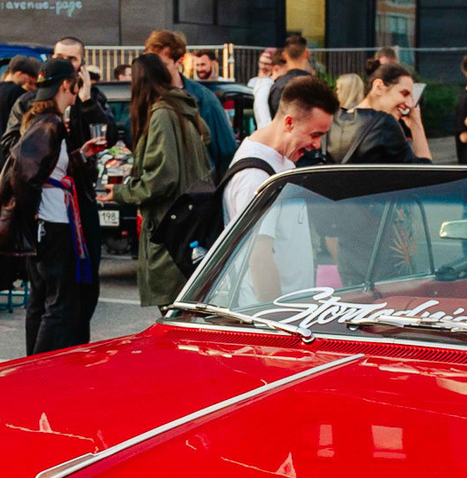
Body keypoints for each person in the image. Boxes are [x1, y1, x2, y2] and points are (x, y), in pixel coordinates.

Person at [0, 57, 99, 354]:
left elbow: (40, 169)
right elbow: (24, 170)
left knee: (46, 300)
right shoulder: (50, 122)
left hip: (49, 222)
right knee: (59, 304)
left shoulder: (43, 120)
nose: (76, 94)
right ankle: (39, 369)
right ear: (64, 86)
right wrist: (33, 212)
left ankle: (35, 366)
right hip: (52, 223)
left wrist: (80, 156)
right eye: (75, 87)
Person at [221, 74, 339, 301]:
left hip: (293, 309)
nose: (317, 145)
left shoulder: (282, 159)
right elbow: (259, 259)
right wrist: (275, 318)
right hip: (271, 317)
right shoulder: (254, 177)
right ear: (289, 122)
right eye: (315, 134)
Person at [111, 51, 210, 306]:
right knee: (187, 313)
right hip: (187, 225)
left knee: (175, 312)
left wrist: (121, 192)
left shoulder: (163, 114)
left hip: (169, 229)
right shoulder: (183, 110)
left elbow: (161, 178)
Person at [149, 30, 234, 176]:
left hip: (195, 188)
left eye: (163, 64)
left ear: (179, 61)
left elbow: (226, 150)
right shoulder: (147, 95)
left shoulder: (204, 97)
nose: (156, 70)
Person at [326, 60, 428, 164]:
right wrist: (416, 124)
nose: (409, 104)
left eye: (411, 97)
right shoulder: (384, 123)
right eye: (404, 94)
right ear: (378, 86)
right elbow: (424, 172)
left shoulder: (334, 119)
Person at [0, 53, 41, 158]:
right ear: (19, 74)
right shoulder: (18, 93)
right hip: (9, 154)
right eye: (28, 77)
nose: (29, 81)